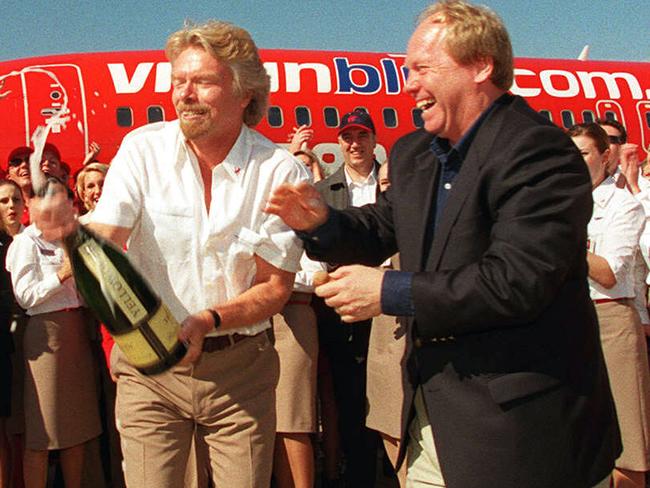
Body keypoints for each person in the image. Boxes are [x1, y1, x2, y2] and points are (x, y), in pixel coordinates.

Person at [266, 2, 621, 487]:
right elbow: (381, 227)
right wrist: (323, 223)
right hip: (433, 424)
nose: (408, 84)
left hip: (525, 434)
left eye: (422, 69)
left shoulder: (540, 152)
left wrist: (390, 292)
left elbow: (517, 280)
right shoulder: (415, 153)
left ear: (481, 65)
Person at [32, 20, 307, 488]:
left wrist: (207, 320)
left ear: (244, 93)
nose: (184, 94)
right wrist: (72, 236)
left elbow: (275, 288)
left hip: (240, 369)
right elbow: (108, 232)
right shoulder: (142, 150)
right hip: (148, 371)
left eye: (201, 81)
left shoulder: (280, 170)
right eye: (178, 80)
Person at [6, 177, 102, 488]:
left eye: (62, 199)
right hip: (46, 336)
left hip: (77, 332)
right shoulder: (26, 241)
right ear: (34, 204)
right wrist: (62, 274)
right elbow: (26, 296)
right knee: (42, 434)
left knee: (77, 429)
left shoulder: (72, 239)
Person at [569, 123, 650, 488]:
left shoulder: (623, 205)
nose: (575, 161)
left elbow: (609, 274)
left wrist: (558, 239)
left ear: (605, 156)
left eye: (584, 153)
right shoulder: (560, 203)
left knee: (628, 444)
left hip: (611, 321)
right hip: (566, 321)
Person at [312, 108, 381, 488]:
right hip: (342, 315)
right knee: (349, 403)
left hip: (389, 310)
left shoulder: (392, 188)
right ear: (339, 144)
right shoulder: (324, 193)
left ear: (374, 141)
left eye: (362, 136)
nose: (355, 144)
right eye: (347, 138)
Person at [365, 162, 408, 487]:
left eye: (393, 182)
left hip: (412, 331)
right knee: (384, 420)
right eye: (382, 184)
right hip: (383, 332)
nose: (387, 189)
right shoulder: (380, 227)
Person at [0, 179, 25, 488]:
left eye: (15, 200)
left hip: (23, 339)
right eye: (3, 200)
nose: (10, 206)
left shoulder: (31, 239)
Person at [5, 147, 34, 225]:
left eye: (29, 160)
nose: (24, 164)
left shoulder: (53, 199)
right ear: (8, 177)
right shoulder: (4, 207)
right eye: (16, 162)